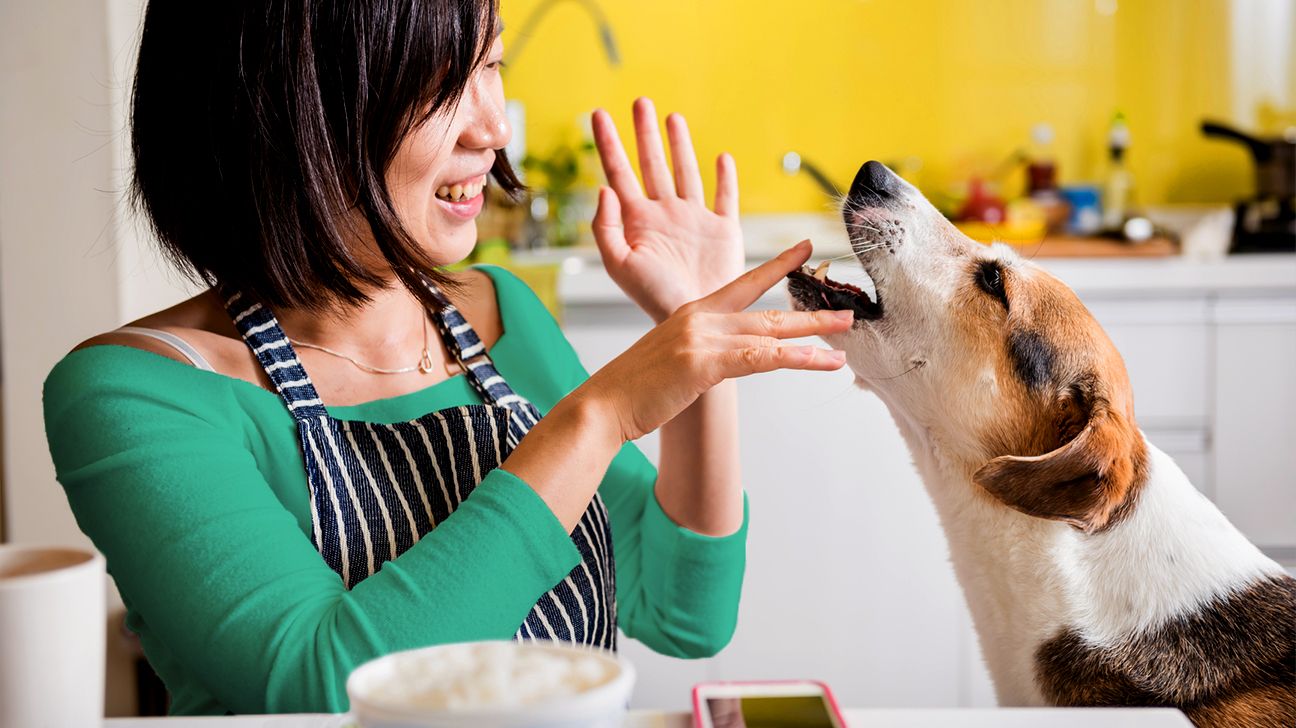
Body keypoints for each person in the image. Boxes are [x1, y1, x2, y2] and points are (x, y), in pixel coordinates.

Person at [42, 0, 851, 715]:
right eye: (437, 84)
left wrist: (698, 336)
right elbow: (328, 688)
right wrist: (601, 415)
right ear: (298, 110)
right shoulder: (136, 394)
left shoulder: (499, 314)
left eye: (491, 63)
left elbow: (682, 611)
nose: (494, 128)